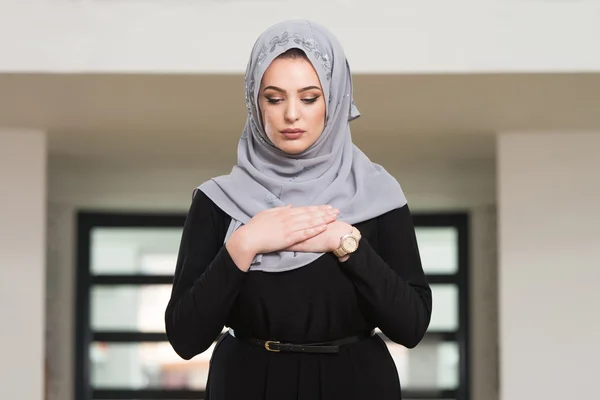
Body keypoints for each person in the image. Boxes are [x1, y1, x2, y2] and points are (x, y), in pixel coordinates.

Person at [165, 19, 432, 400]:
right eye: (274, 98)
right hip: (248, 384)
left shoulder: (376, 194)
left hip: (356, 385)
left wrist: (345, 242)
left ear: (335, 100)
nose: (292, 114)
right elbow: (185, 337)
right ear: (254, 104)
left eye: (309, 98)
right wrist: (244, 244)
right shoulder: (218, 202)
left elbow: (411, 326)